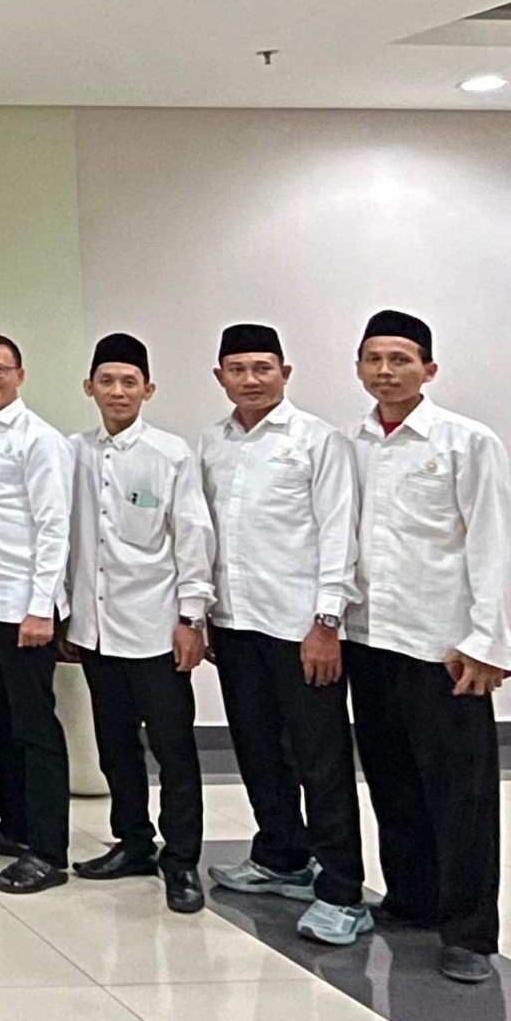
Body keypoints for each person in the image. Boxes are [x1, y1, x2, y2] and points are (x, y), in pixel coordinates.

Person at [347, 310, 511, 984]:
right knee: (392, 779)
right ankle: (412, 899)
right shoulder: (353, 443)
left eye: (401, 359)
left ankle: (469, 932)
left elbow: (491, 543)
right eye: (374, 359)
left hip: (443, 645)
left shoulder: (466, 441)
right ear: (359, 367)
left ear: (429, 369)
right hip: (370, 637)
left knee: (460, 793)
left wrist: (485, 642)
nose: (386, 371)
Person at [198, 324, 369, 944]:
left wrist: (327, 622)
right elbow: (205, 534)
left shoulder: (317, 441)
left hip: (301, 629)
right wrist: (204, 613)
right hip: (235, 625)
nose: (250, 379)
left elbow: (338, 534)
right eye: (237, 369)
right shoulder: (212, 443)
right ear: (220, 376)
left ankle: (342, 890)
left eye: (262, 368)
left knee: (320, 758)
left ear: (285, 373)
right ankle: (281, 858)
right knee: (257, 749)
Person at [61, 334, 214, 914]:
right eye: (107, 381)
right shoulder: (72, 453)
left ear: (148, 389)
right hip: (96, 629)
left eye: (130, 382)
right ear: (89, 387)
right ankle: (131, 842)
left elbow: (193, 539)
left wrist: (191, 618)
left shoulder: (171, 454)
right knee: (115, 747)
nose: (118, 391)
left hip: (156, 628)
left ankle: (181, 860)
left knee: (174, 750)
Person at [0, 331, 74, 895]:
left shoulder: (39, 439)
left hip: (22, 609)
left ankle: (48, 851)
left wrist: (41, 607)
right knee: (1, 721)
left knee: (35, 726)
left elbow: (54, 527)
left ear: (19, 375)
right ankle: (15, 827)